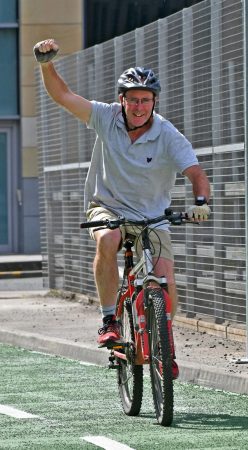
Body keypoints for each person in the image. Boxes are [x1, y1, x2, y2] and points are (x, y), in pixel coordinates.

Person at [34, 39, 211, 378]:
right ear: (122, 100)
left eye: (145, 100)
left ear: (154, 101)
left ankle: (165, 341)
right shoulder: (105, 117)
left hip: (152, 216)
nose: (139, 106)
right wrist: (46, 64)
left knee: (165, 275)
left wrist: (200, 203)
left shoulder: (167, 134)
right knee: (108, 238)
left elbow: (196, 173)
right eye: (132, 99)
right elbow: (64, 96)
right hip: (107, 206)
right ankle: (108, 319)